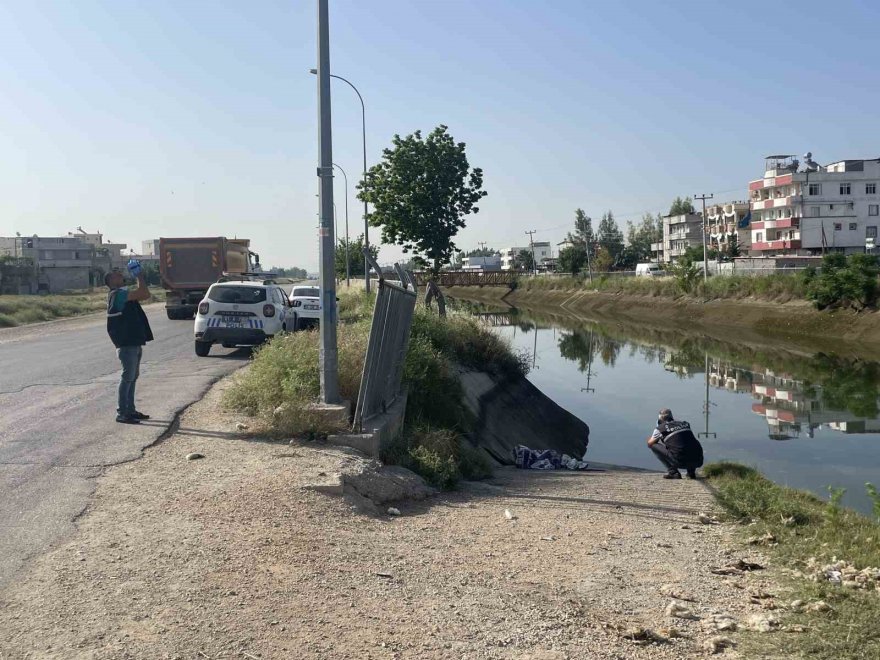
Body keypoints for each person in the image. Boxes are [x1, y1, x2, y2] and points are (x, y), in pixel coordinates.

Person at [105, 262, 154, 424]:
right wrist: (139, 275)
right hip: (126, 344)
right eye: (116, 274)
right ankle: (122, 412)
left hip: (133, 342)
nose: (120, 274)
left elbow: (145, 295)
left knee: (132, 377)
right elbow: (143, 292)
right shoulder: (117, 295)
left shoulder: (122, 293)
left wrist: (139, 276)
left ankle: (130, 410)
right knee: (127, 377)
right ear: (111, 281)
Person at [646, 408, 703, 479]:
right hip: (698, 461)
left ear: (660, 419)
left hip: (680, 462)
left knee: (653, 445)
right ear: (672, 417)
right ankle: (691, 472)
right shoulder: (685, 424)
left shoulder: (661, 428)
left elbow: (650, 443)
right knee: (688, 442)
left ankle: (673, 472)